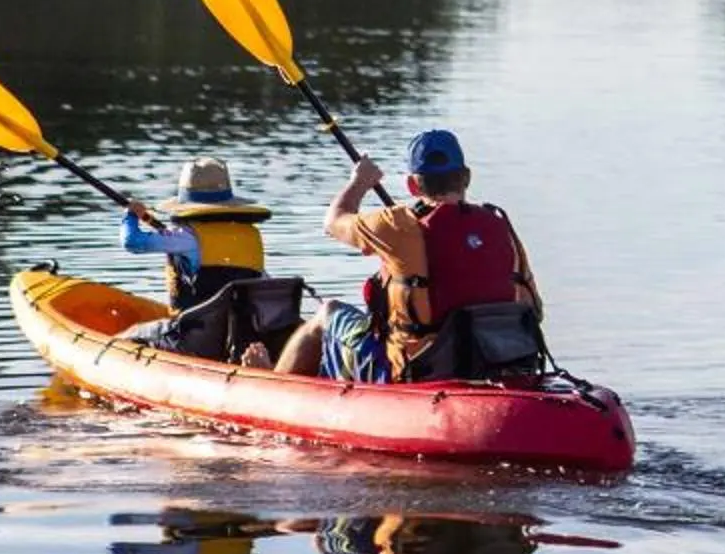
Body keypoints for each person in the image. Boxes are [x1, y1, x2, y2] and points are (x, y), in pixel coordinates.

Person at [276, 130, 541, 383]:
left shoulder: (397, 225)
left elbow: (333, 222)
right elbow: (533, 309)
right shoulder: (499, 225)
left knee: (327, 313)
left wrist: (359, 182)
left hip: (416, 369)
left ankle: (273, 387)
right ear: (467, 178)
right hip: (499, 363)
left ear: (412, 185)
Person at [115, 156, 277, 363]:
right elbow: (262, 284)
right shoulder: (251, 236)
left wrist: (130, 215)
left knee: (126, 337)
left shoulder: (186, 236)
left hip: (192, 336)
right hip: (241, 337)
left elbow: (132, 242)